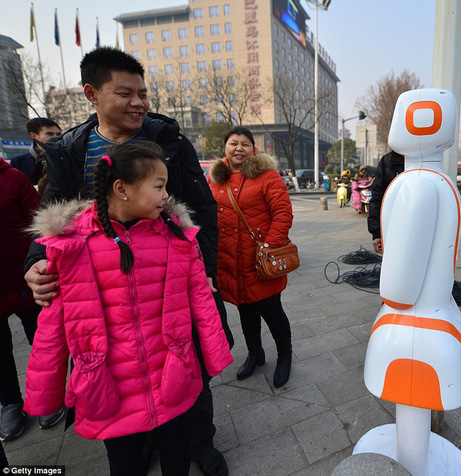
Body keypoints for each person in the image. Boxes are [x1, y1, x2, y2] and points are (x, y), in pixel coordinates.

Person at [22, 47, 231, 475]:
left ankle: (200, 442)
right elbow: (53, 219)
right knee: (117, 375)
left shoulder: (169, 141)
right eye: (125, 93)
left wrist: (202, 270)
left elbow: (202, 212)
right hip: (105, 295)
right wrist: (36, 262)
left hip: (168, 281)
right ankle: (140, 439)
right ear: (91, 94)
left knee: (185, 364)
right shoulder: (68, 152)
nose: (139, 102)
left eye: (143, 93)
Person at [208, 126, 294, 388]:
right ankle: (255, 354)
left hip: (260, 260)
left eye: (245, 144)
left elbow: (283, 213)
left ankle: (284, 357)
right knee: (245, 310)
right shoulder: (215, 179)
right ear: (225, 148)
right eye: (233, 143)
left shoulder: (267, 176)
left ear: (253, 149)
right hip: (230, 260)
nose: (238, 148)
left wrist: (268, 246)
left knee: (272, 311)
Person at [0, 157, 65, 441]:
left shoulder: (12, 177)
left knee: (42, 339)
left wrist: (37, 263)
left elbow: (41, 226)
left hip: (25, 279)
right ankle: (10, 403)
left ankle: (50, 394)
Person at [367, 150, 405, 253]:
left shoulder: (429, 158)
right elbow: (377, 198)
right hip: (393, 226)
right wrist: (376, 234)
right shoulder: (388, 161)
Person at [10, 118, 61, 190]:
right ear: (33, 136)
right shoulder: (18, 162)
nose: (56, 137)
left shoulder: (67, 157)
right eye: (50, 134)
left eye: (58, 134)